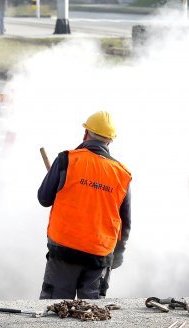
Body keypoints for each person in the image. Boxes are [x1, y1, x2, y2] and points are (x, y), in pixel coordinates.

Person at [37, 111, 132, 300]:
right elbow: (125, 221)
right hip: (99, 256)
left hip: (64, 252)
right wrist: (118, 255)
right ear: (110, 141)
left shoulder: (67, 160)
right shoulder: (122, 175)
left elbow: (44, 198)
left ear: (85, 134)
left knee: (56, 310)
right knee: (91, 313)